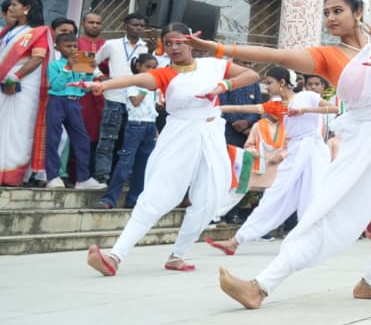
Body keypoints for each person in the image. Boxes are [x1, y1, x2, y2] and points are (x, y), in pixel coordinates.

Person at [197, 0, 371, 307]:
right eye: (326, 13)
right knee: (329, 209)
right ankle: (260, 286)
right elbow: (277, 55)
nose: (330, 18)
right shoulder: (327, 56)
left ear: (358, 12)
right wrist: (220, 49)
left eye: (337, 10)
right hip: (363, 141)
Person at [83, 23, 260, 275]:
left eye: (180, 42)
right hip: (180, 134)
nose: (175, 48)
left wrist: (224, 86)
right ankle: (115, 256)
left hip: (211, 134)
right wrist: (103, 86)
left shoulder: (213, 65)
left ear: (191, 43)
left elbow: (252, 75)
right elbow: (135, 79)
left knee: (208, 198)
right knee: (158, 194)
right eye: (169, 44)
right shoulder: (165, 74)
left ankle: (178, 255)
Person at [206, 66, 336, 254]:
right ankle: (236, 240)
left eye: (269, 83)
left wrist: (305, 110)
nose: (266, 87)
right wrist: (219, 108)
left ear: (282, 82)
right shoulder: (277, 105)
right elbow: (247, 108)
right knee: (274, 196)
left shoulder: (307, 97)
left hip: (314, 151)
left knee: (313, 194)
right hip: (295, 152)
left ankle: (312, 241)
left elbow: (334, 108)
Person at [0, 0, 53, 187]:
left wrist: (15, 76)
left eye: (15, 4)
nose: (10, 8)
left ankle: (13, 175)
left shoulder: (37, 32)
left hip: (23, 86)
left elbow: (37, 58)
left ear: (27, 8)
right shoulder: (7, 31)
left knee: (19, 128)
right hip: (2, 84)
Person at [93, 13, 152, 184]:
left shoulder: (146, 47)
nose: (138, 28)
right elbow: (92, 62)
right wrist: (100, 77)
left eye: (141, 26)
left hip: (137, 101)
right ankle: (102, 177)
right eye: (135, 25)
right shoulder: (112, 44)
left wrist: (152, 51)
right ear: (125, 25)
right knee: (107, 139)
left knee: (131, 142)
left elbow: (152, 72)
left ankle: (124, 178)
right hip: (114, 97)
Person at [99, 54, 159, 210]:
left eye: (154, 68)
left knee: (143, 164)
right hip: (135, 125)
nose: (151, 71)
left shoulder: (154, 86)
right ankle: (109, 198)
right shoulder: (134, 83)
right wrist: (146, 89)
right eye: (147, 67)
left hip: (150, 125)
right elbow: (135, 102)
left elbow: (153, 109)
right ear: (138, 66)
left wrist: (156, 130)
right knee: (125, 161)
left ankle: (134, 199)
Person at [40, 33, 96, 190]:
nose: (72, 49)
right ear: (58, 48)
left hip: (74, 102)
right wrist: (67, 68)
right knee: (53, 139)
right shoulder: (54, 65)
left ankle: (83, 179)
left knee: (82, 140)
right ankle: (52, 177)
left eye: (74, 46)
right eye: (68, 46)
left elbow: (85, 88)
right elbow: (57, 86)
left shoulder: (80, 64)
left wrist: (90, 73)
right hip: (57, 102)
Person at [77, 12, 107, 181]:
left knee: (100, 133)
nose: (95, 25)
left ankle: (96, 174)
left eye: (98, 23)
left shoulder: (107, 44)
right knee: (82, 131)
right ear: (83, 24)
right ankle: (77, 174)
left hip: (103, 95)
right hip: (82, 94)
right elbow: (81, 66)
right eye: (91, 22)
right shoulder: (76, 42)